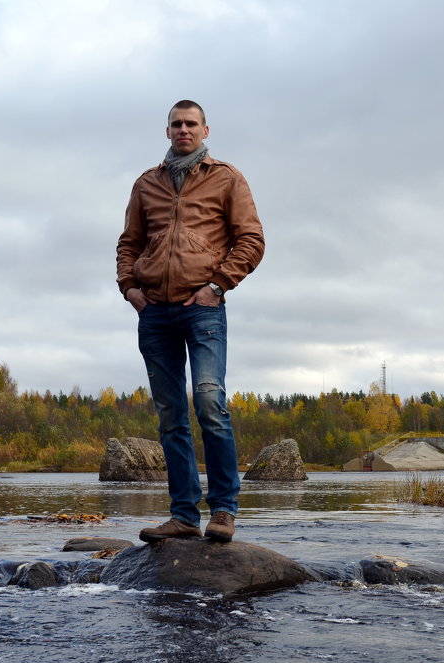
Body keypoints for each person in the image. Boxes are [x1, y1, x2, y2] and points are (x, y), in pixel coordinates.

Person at [116, 100, 265, 544]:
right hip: (155, 312)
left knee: (209, 404)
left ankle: (223, 511)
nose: (184, 130)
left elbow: (252, 239)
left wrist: (217, 285)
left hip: (203, 308)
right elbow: (129, 242)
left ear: (205, 130)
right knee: (170, 417)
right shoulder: (147, 183)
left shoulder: (226, 178)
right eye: (176, 124)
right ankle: (183, 515)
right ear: (167, 132)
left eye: (191, 124)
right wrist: (130, 289)